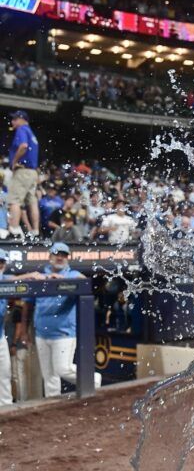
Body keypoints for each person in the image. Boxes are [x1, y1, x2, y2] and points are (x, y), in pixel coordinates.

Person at [29, 243, 102, 397]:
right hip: (41, 333)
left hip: (64, 333)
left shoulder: (72, 275)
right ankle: (52, 406)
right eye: (57, 254)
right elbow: (27, 305)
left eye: (63, 255)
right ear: (50, 257)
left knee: (63, 369)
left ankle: (93, 379)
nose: (60, 257)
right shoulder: (39, 276)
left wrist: (61, 281)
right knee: (49, 377)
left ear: (68, 258)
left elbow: (86, 283)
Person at [0, 249, 45, 404]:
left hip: (0, 339)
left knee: (5, 373)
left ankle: (5, 407)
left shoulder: (6, 277)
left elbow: (13, 279)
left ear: (4, 265)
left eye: (1, 262)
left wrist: (33, 275)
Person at [6, 110, 40, 239]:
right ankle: (36, 231)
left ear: (21, 119)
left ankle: (14, 230)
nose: (12, 122)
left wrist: (14, 162)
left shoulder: (22, 130)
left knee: (14, 200)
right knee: (31, 201)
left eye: (14, 119)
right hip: (32, 172)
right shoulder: (31, 133)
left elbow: (23, 146)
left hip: (23, 170)